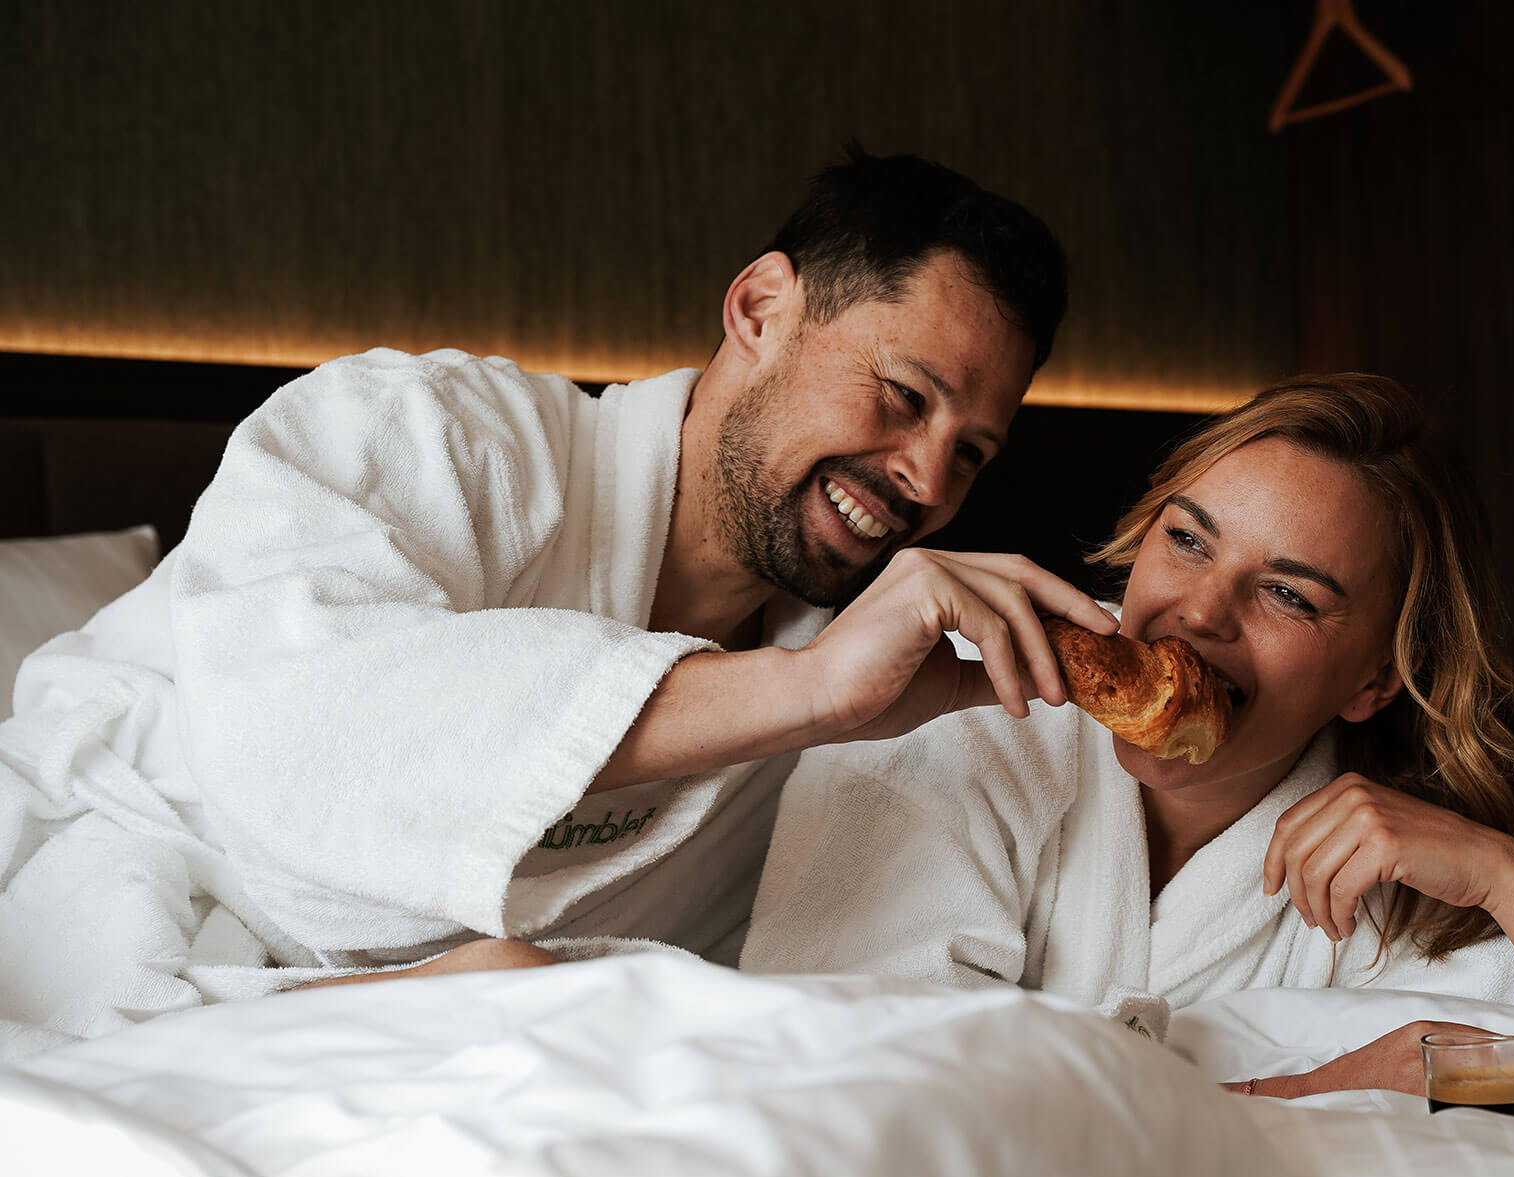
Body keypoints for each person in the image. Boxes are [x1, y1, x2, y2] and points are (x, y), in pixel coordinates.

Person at [0, 147, 1116, 1058]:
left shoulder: (852, 704)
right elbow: (298, 741)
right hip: (118, 899)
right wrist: (803, 690)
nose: (924, 479)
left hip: (461, 1044)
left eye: (969, 451)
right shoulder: (430, 432)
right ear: (761, 306)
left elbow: (833, 972)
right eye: (903, 394)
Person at [740, 373, 1514, 1098]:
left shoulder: (1394, 864)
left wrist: (1507, 876)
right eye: (1186, 540)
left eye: (1288, 593)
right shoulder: (969, 712)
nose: (1200, 612)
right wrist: (1300, 1097)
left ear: (1373, 677)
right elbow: (847, 1077)